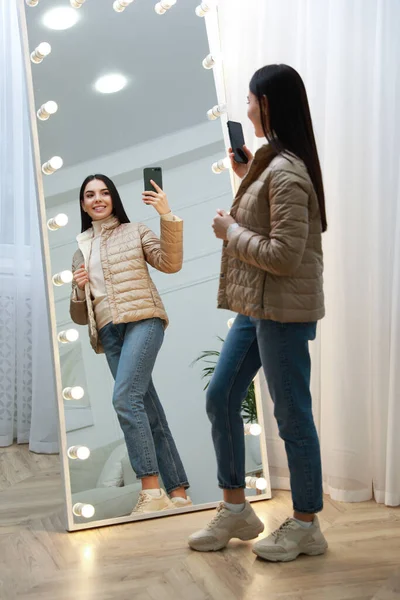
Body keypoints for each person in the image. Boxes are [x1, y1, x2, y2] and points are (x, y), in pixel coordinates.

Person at [189, 64, 328, 562]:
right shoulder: (271, 166)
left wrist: (229, 231)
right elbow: (274, 226)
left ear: (267, 104)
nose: (245, 107)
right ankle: (236, 509)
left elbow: (284, 257)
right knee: (220, 394)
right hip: (258, 307)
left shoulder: (288, 170)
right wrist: (248, 178)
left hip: (282, 312)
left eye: (250, 98)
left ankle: (307, 524)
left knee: (292, 416)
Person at [70, 174, 191, 514]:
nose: (98, 199)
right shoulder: (79, 252)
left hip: (143, 320)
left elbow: (170, 263)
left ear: (113, 198)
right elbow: (81, 316)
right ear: (82, 204)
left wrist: (166, 215)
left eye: (104, 193)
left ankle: (151, 492)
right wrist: (79, 289)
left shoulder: (135, 230)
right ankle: (178, 492)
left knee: (125, 398)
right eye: (90, 195)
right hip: (109, 334)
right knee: (146, 407)